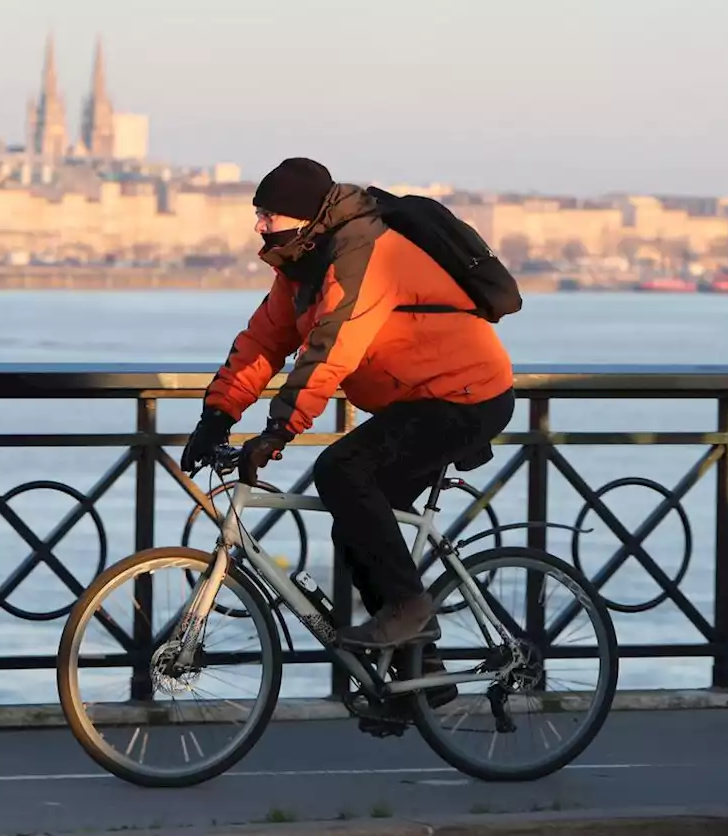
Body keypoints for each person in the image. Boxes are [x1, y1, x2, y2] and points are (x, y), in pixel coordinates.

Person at [180, 157, 517, 702]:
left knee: (341, 467)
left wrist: (279, 430)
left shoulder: (364, 252)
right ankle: (419, 676)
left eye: (268, 215)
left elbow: (332, 348)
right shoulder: (301, 266)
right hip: (416, 399)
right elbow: (263, 343)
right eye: (258, 214)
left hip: (464, 395)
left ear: (306, 217)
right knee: (354, 524)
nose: (259, 225)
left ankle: (410, 609)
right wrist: (215, 415)